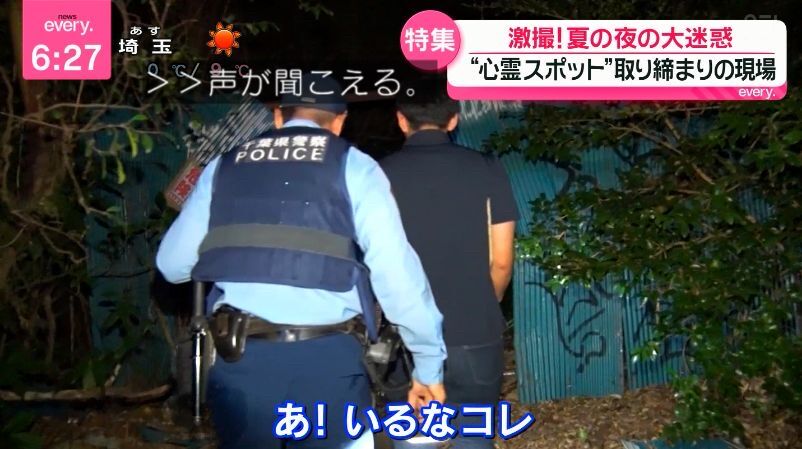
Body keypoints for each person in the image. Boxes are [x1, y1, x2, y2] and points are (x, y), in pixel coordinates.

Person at [156, 73, 447, 449]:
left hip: (241, 359)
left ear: (279, 116)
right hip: (329, 362)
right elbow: (397, 278)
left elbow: (172, 265)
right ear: (340, 122)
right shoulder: (355, 167)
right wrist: (427, 364)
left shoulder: (223, 168)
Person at [379, 80, 519, 449]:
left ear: (401, 120)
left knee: (413, 438)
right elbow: (502, 262)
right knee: (472, 437)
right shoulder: (486, 169)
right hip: (475, 330)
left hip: (405, 336)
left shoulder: (378, 176)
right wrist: (484, 302)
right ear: (454, 119)